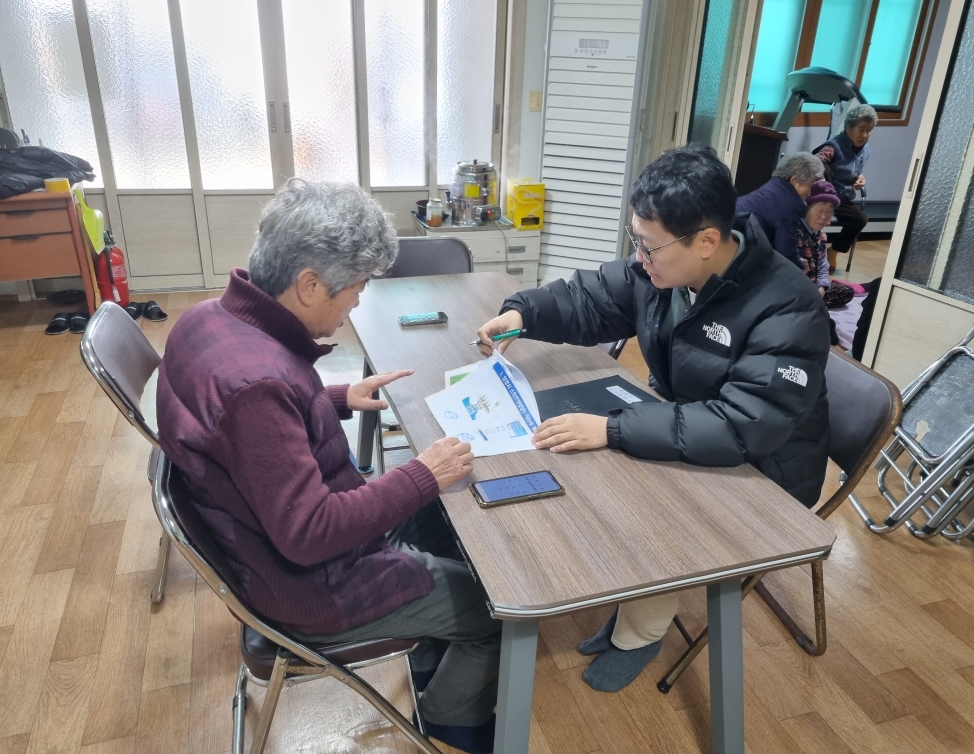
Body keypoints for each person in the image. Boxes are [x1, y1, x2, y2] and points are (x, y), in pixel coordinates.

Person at [156, 179, 500, 754]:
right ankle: (447, 727)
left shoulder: (205, 321)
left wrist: (338, 398)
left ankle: (434, 639)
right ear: (310, 284)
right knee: (495, 606)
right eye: (356, 289)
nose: (357, 303)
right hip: (312, 587)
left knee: (449, 519)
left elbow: (250, 429)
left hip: (266, 544)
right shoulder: (260, 385)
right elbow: (310, 534)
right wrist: (422, 473)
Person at [475, 144, 831, 694]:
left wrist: (613, 428)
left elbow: (742, 426)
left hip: (767, 464)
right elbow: (590, 299)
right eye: (635, 240)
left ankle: (639, 631)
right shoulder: (662, 269)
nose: (639, 256)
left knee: (646, 496)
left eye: (649, 245)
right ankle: (630, 602)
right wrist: (523, 312)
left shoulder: (788, 306)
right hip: (692, 420)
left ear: (707, 242)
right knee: (596, 462)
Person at [735, 152, 824, 269]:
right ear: (794, 181)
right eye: (810, 185)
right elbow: (786, 249)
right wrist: (799, 265)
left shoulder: (774, 185)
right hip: (743, 252)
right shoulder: (791, 204)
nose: (809, 193)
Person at [815, 103, 877, 270]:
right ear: (849, 127)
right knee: (824, 167)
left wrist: (859, 179)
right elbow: (814, 165)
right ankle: (813, 255)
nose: (865, 135)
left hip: (843, 198)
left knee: (860, 219)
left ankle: (833, 252)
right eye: (861, 129)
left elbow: (853, 172)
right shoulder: (832, 147)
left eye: (869, 130)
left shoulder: (866, 150)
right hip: (823, 196)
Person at [798, 180, 840, 296]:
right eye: (819, 211)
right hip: (794, 286)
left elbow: (823, 265)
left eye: (828, 212)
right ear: (806, 209)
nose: (823, 217)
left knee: (845, 292)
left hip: (813, 286)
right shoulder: (793, 232)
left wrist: (821, 287)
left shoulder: (821, 236)